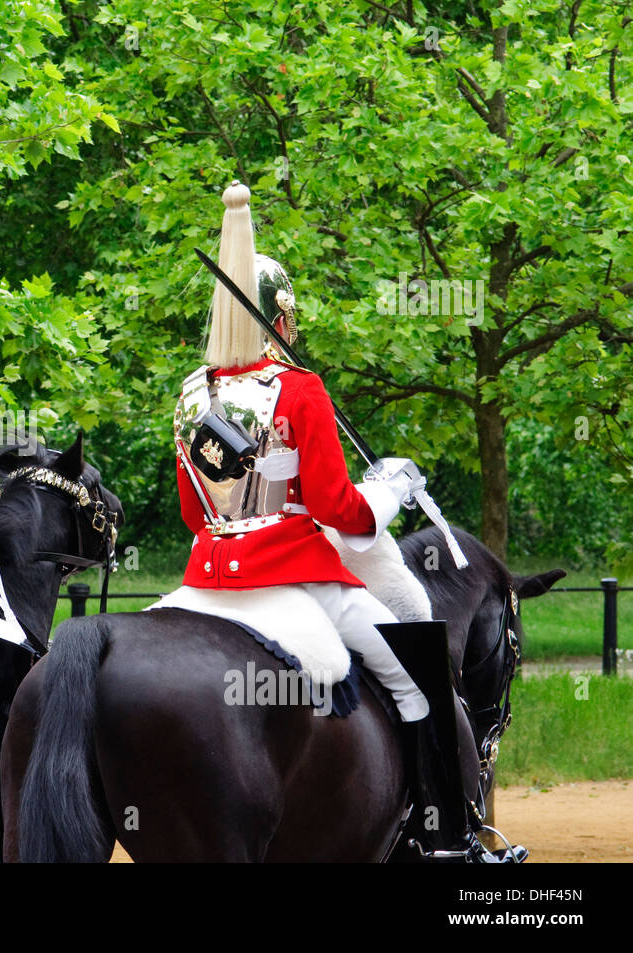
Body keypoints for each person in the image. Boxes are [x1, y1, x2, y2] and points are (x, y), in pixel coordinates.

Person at [170, 181, 524, 862]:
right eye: (290, 317)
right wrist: (391, 488)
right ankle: (447, 834)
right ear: (278, 317)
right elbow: (340, 511)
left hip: (205, 576)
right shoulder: (300, 391)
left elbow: (195, 512)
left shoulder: (191, 395)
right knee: (414, 676)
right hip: (295, 574)